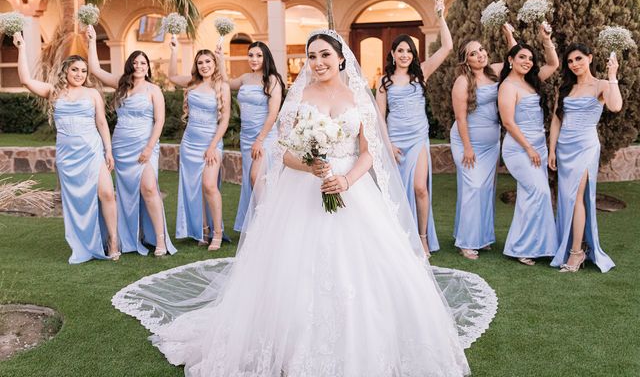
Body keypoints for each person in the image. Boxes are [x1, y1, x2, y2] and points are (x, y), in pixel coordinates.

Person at [112, 30, 504, 376]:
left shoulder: (357, 96)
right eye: (312, 56)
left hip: (351, 191)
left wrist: (347, 180)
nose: (317, 63)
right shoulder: (300, 97)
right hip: (304, 190)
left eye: (325, 56)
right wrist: (313, 167)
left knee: (365, 272)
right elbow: (284, 153)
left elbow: (368, 152)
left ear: (340, 58)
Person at [13, 32, 119, 263]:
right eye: (75, 70)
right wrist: (21, 47)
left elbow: (101, 122)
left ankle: (113, 240)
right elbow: (25, 80)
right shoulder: (54, 92)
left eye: (83, 71)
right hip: (68, 156)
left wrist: (108, 151)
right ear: (66, 71)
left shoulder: (92, 93)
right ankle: (83, 243)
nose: (80, 74)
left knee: (107, 193)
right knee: (77, 202)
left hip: (92, 150)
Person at [87, 26, 176, 257]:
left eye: (143, 63)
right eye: (135, 63)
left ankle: (160, 240)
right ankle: (128, 238)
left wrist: (148, 148)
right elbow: (95, 69)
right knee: (124, 193)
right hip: (121, 146)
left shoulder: (154, 90)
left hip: (145, 146)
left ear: (148, 68)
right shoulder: (121, 84)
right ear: (130, 65)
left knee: (149, 188)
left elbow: (159, 121)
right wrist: (92, 39)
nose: (139, 66)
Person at [375, 0, 452, 257]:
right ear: (393, 54)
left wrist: (440, 14)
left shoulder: (422, 74)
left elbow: (448, 47)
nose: (405, 54)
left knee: (420, 187)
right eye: (400, 51)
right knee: (396, 193)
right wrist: (388, 145)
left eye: (409, 51)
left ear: (413, 54)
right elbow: (379, 117)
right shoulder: (383, 82)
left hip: (418, 138)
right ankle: (399, 237)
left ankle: (422, 238)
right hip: (395, 140)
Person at [549, 44, 622, 272]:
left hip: (586, 146)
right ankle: (571, 245)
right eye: (570, 61)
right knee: (566, 198)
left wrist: (612, 77)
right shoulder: (565, 88)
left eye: (579, 59)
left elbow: (616, 106)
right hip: (564, 148)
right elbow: (556, 120)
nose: (575, 64)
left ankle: (576, 252)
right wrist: (551, 149)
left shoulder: (601, 85)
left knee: (577, 197)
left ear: (589, 58)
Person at [450, 24, 515, 260]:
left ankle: (482, 237)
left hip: (491, 144)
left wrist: (509, 36)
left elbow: (515, 59)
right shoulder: (462, 82)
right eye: (474, 53)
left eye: (482, 50)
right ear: (466, 60)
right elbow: (460, 117)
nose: (481, 55)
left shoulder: (495, 72)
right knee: (473, 187)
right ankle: (466, 241)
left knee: (485, 190)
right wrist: (467, 147)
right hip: (467, 142)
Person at [498, 23, 559, 266]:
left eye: (531, 59)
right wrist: (529, 149)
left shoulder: (531, 82)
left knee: (530, 195)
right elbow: (508, 123)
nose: (528, 61)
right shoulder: (507, 87)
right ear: (510, 60)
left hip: (538, 148)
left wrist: (546, 39)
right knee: (539, 192)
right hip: (519, 148)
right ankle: (522, 246)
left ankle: (533, 246)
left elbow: (553, 64)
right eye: (522, 57)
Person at [168, 38, 231, 250]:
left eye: (208, 62)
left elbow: (225, 119)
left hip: (211, 143)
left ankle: (218, 233)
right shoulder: (192, 83)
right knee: (194, 187)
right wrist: (174, 51)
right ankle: (202, 230)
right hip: (190, 143)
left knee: (209, 186)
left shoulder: (222, 86)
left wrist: (213, 146)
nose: (204, 66)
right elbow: (172, 76)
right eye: (200, 62)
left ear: (215, 64)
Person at [215, 41, 284, 232]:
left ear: (266, 57)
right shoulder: (245, 78)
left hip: (265, 137)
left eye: (258, 55)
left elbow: (273, 114)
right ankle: (255, 225)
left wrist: (260, 140)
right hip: (246, 138)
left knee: (257, 177)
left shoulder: (272, 80)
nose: (254, 59)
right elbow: (226, 82)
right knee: (251, 181)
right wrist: (221, 58)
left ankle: (266, 224)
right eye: (251, 55)